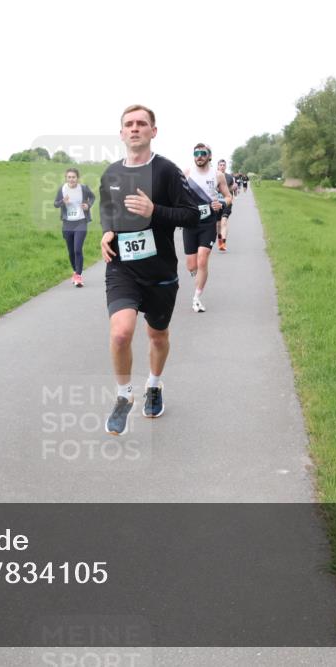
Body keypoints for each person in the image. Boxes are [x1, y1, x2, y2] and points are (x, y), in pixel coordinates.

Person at [99, 105, 200, 434]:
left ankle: (154, 385)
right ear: (121, 133)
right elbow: (107, 210)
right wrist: (107, 231)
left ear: (153, 131)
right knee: (120, 332)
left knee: (157, 336)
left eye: (142, 123)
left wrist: (155, 210)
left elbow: (191, 216)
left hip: (160, 272)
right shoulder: (111, 174)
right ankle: (124, 395)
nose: (135, 128)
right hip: (122, 268)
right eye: (129, 124)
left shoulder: (167, 171)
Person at [183, 144, 232, 312]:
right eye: (196, 153)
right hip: (190, 224)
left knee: (202, 259)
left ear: (209, 156)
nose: (199, 156)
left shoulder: (218, 175)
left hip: (208, 223)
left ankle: (196, 297)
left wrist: (222, 203)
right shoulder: (187, 173)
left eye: (202, 153)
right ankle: (197, 275)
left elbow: (228, 196)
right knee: (191, 265)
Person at [54, 167, 95, 287]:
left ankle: (78, 276)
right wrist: (63, 202)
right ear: (66, 178)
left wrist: (88, 205)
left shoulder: (83, 188)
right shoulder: (62, 189)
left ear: (77, 178)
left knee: (77, 249)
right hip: (67, 223)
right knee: (71, 251)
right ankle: (75, 272)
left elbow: (92, 198)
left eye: (73, 177)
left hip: (81, 222)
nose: (71, 179)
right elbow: (56, 204)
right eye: (69, 177)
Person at [216, 159, 235, 252]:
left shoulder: (229, 177)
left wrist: (233, 191)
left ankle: (223, 243)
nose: (222, 166)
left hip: (226, 203)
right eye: (220, 165)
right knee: (218, 224)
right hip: (217, 203)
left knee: (224, 222)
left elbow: (231, 189)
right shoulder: (214, 176)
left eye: (224, 165)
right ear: (218, 166)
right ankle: (219, 240)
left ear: (226, 167)